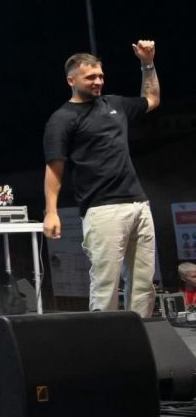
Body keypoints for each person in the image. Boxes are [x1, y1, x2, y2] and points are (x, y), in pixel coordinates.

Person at [43, 42, 160, 316]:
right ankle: (104, 339)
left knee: (144, 285)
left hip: (138, 204)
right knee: (106, 285)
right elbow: (55, 168)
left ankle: (138, 335)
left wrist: (147, 63)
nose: (98, 81)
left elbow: (152, 99)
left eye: (100, 76)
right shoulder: (62, 119)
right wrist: (51, 212)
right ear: (71, 80)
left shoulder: (114, 104)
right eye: (90, 77)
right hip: (102, 209)